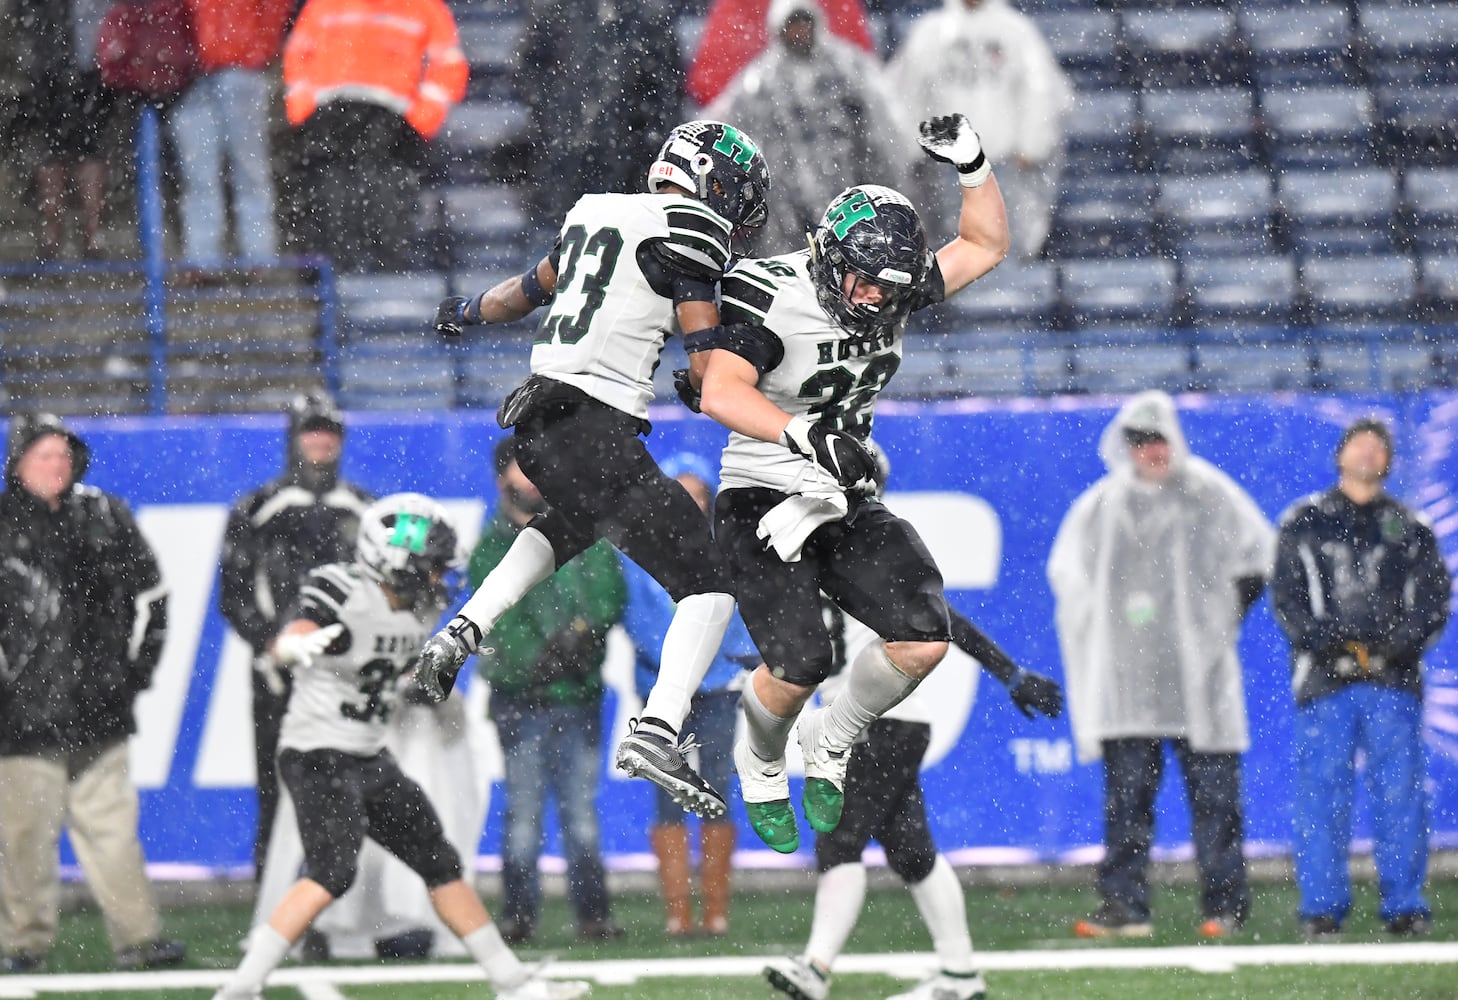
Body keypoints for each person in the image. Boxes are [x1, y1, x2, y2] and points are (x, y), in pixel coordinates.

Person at [415, 119, 773, 824]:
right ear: (713, 184)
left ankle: (463, 627)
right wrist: (728, 367)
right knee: (710, 586)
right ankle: (660, 729)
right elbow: (704, 369)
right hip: (597, 426)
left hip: (536, 425)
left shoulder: (593, 210)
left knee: (567, 525)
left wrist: (461, 311)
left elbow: (522, 291)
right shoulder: (693, 228)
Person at [679, 113, 1009, 853]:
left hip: (841, 493)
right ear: (827, 255)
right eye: (858, 278)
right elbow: (720, 392)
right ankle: (760, 760)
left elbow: (985, 244)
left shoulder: (888, 287)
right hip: (762, 490)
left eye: (885, 287)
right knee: (799, 663)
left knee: (923, 637)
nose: (869, 298)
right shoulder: (769, 292)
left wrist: (974, 163)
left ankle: (832, 738)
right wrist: (805, 434)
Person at [213, 494, 589, 1000]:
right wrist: (292, 646)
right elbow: (296, 631)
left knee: (440, 863)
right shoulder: (342, 587)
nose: (439, 578)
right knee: (333, 871)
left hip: (369, 753)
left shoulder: (419, 605)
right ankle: (242, 986)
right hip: (318, 752)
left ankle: (513, 983)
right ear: (393, 561)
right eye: (431, 566)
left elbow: (403, 678)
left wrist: (427, 680)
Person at [765, 449, 1063, 1000]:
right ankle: (960, 974)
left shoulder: (857, 539)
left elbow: (945, 622)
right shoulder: (838, 537)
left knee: (840, 842)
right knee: (911, 853)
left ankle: (816, 968)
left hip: (878, 720)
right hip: (885, 719)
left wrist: (1009, 672)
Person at [1046, 390, 1275, 939]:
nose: (1152, 451)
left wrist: (1221, 622)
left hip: (1202, 680)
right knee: (1128, 805)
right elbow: (1068, 576)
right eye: (1141, 441)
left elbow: (1258, 554)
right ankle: (1125, 906)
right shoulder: (1101, 506)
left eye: (1158, 439)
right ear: (1126, 448)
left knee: (1217, 804)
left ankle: (1226, 907)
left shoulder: (1210, 495)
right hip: (1129, 686)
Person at [0, 413, 185, 974]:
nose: (56, 466)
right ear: (18, 463)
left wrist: (134, 676)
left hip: (98, 709)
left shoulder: (105, 514)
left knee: (113, 833)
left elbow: (154, 596)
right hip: (22, 715)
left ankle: (138, 938)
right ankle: (21, 944)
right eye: (43, 455)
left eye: (62, 454)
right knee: (24, 841)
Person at [1271, 417, 1450, 940]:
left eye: (1379, 447)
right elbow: (1287, 599)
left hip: (1393, 681)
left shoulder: (1410, 526)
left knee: (1399, 795)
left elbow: (1434, 602)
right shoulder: (1304, 521)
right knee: (1322, 795)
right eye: (1360, 445)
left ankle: (1405, 906)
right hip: (1326, 683)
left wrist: (1394, 649)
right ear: (1340, 454)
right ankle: (1321, 910)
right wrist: (1332, 649)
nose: (1369, 454)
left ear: (1389, 462)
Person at [470, 437, 627, 944]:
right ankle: (519, 915)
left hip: (575, 698)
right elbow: (492, 618)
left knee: (579, 813)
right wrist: (544, 659)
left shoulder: (579, 530)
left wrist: (578, 635)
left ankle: (592, 915)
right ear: (503, 480)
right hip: (525, 700)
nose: (534, 480)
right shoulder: (491, 547)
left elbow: (608, 591)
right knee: (524, 814)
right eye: (524, 470)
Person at [219, 391, 374, 877]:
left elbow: (384, 592)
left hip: (347, 675)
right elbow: (234, 593)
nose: (321, 441)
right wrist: (271, 643)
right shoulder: (259, 508)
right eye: (312, 430)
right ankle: (274, 904)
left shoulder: (365, 509)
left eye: (330, 431)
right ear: (293, 438)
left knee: (352, 789)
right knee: (279, 788)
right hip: (278, 674)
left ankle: (342, 906)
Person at [617, 452, 758, 937]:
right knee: (666, 795)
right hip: (661, 689)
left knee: (716, 787)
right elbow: (635, 618)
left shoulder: (726, 550)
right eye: (680, 494)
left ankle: (715, 910)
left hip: (715, 687)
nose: (689, 504)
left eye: (696, 495)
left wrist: (703, 665)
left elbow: (738, 619)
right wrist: (675, 669)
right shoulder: (637, 551)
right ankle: (679, 912)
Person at [706, 0, 910, 256]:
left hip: (849, 183)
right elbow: (728, 127)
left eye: (804, 24)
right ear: (779, 29)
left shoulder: (849, 68)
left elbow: (886, 124)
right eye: (792, 25)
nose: (799, 32)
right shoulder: (760, 81)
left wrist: (888, 174)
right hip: (787, 198)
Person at [281, 0, 467, 272]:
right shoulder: (323, 4)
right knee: (332, 210)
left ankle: (380, 283)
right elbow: (297, 54)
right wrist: (303, 110)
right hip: (332, 121)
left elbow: (449, 65)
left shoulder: (424, 6)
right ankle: (343, 279)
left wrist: (421, 118)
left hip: (390, 126)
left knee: (385, 211)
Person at [889, 0, 1071, 259]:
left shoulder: (1016, 30)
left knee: (1004, 248)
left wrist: (1032, 145)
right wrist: (914, 150)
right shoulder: (931, 31)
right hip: (946, 168)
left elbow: (1040, 90)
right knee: (951, 252)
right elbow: (908, 93)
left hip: (1001, 164)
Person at [517, 0, 684, 223]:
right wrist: (555, 114)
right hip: (564, 164)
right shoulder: (555, 11)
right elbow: (530, 68)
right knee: (558, 240)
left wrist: (640, 133)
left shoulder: (646, 16)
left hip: (623, 165)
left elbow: (665, 89)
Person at [167, 0, 292, 267]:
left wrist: (257, 50)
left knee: (247, 171)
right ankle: (205, 260)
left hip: (237, 71)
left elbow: (275, 10)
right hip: (195, 75)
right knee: (200, 175)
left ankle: (258, 259)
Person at [16, 0, 118, 259]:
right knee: (58, 149)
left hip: (82, 63)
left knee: (85, 148)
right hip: (55, 62)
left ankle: (87, 233)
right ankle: (61, 233)